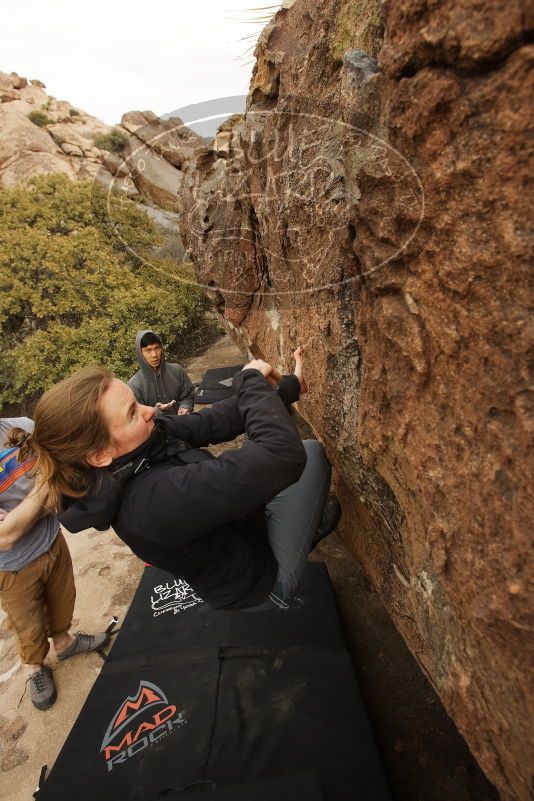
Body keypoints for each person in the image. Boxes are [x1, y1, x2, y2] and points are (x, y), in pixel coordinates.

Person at [27, 349, 340, 612]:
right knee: (309, 454)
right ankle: (299, 544)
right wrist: (250, 379)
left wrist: (290, 387)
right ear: (98, 455)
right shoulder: (150, 503)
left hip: (243, 536)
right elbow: (281, 455)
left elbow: (210, 422)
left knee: (256, 466)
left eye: (137, 402)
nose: (150, 411)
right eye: (132, 413)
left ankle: (294, 526)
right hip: (260, 583)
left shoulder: (137, 446)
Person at [0, 418, 110, 710]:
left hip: (52, 540)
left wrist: (23, 515)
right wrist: (43, 489)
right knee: (28, 625)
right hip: (11, 567)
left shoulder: (22, 425)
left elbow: (61, 469)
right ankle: (35, 669)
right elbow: (6, 537)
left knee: (63, 599)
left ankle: (65, 643)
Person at [128, 330, 196, 415]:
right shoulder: (134, 385)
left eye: (157, 348)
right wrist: (157, 411)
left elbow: (188, 395)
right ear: (140, 353)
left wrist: (185, 407)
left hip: (181, 424)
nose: (154, 355)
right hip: (156, 428)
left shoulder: (177, 370)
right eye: (148, 350)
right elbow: (138, 417)